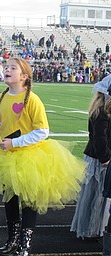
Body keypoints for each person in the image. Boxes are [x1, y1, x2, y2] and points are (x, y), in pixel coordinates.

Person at [0, 57, 86, 256]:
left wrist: (15, 143)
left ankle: (25, 243)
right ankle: (12, 239)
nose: (7, 69)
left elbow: (42, 131)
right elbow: (3, 123)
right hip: (6, 156)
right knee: (9, 198)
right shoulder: (2, 97)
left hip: (30, 156)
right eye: (7, 67)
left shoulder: (32, 99)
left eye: (13, 68)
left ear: (24, 76)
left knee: (29, 199)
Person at [71, 74, 111, 240]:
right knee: (97, 196)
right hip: (99, 159)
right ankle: (92, 228)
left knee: (94, 195)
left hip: (96, 156)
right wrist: (105, 159)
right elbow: (99, 138)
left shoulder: (99, 109)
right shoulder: (102, 112)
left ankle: (93, 227)